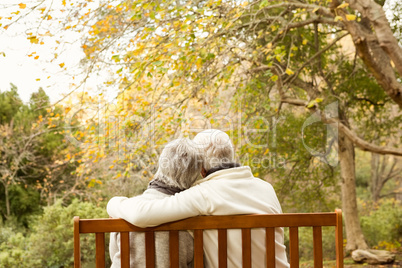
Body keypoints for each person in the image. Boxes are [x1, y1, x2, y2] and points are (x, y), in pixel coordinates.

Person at [107, 129, 289, 268]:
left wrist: (114, 202)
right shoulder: (266, 188)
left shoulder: (203, 193)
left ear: (201, 169)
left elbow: (141, 216)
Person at [109, 138, 202, 268]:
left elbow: (114, 256)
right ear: (195, 175)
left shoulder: (125, 211)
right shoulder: (194, 217)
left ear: (161, 164)